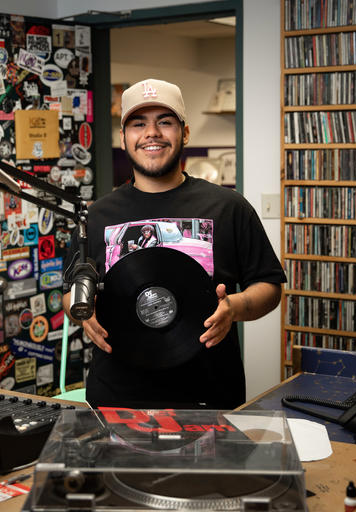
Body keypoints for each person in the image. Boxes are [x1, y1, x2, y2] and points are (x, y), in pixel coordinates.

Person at [63, 78, 286, 409]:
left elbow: (269, 286)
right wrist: (82, 314)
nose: (151, 133)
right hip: (117, 400)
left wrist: (234, 307)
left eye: (164, 122)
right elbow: (70, 291)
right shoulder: (96, 216)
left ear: (185, 132)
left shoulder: (228, 206)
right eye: (139, 124)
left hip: (209, 399)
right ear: (123, 138)